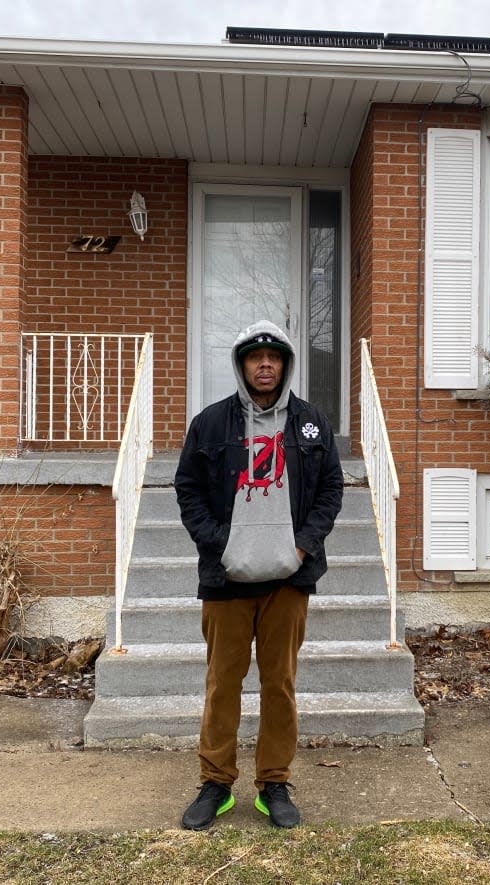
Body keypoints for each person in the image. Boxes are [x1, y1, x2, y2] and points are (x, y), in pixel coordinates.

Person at [174, 320, 343, 830]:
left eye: (273, 356)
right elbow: (188, 489)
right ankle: (216, 782)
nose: (264, 364)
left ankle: (274, 782)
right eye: (254, 356)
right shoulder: (210, 423)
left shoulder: (311, 423)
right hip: (227, 580)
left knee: (280, 684)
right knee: (222, 684)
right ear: (241, 364)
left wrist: (302, 545)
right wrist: (222, 544)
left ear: (286, 364)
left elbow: (331, 490)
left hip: (287, 580)